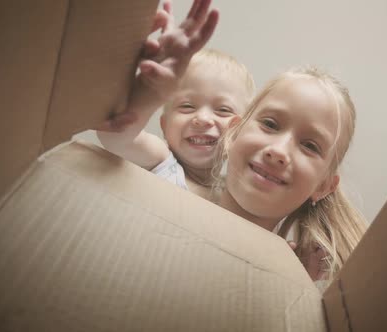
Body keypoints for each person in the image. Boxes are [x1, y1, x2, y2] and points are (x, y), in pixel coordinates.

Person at [212, 66, 367, 284]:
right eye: (270, 124)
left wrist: (294, 283)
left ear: (323, 186)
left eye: (310, 146)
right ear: (233, 133)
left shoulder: (292, 280)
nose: (278, 152)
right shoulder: (167, 179)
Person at [97, 0, 255, 200]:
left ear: (242, 131)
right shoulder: (161, 161)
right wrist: (151, 89)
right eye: (187, 106)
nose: (203, 118)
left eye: (223, 110)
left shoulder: (235, 197)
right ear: (165, 125)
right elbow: (115, 138)